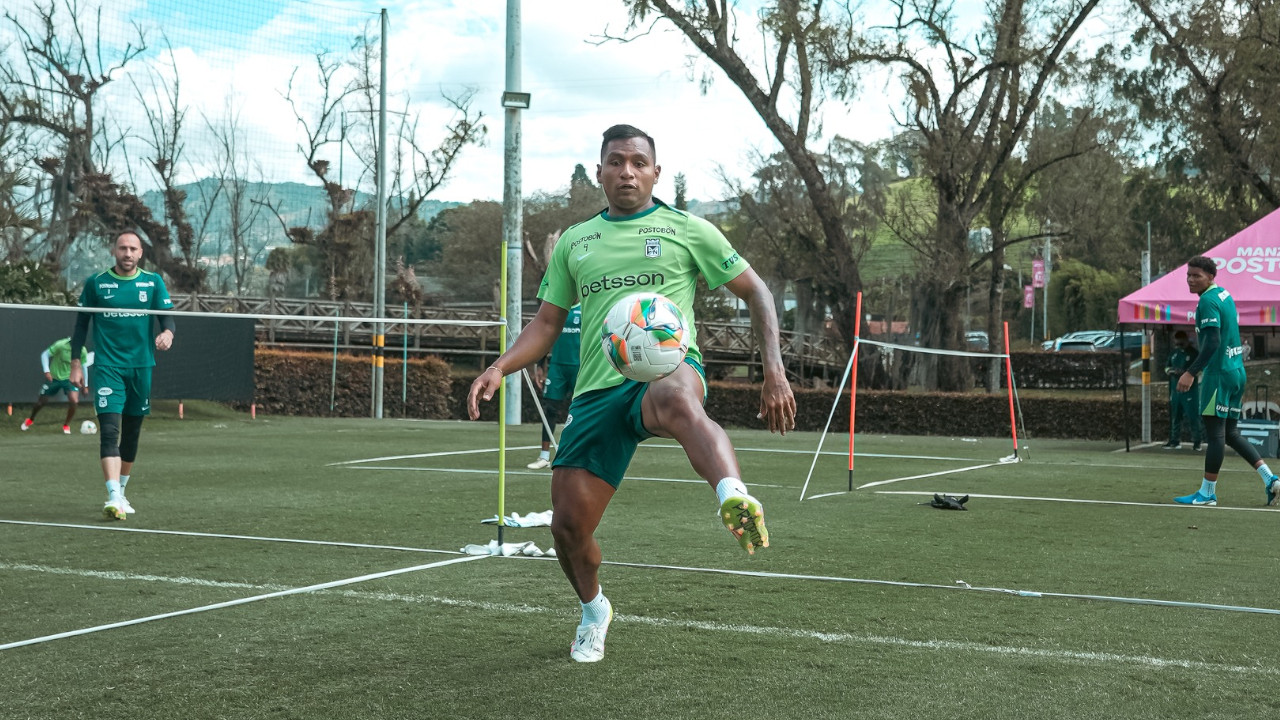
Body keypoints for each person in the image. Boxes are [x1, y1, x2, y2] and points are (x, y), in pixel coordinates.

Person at [468, 124, 795, 663]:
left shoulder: (688, 230)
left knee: (677, 400)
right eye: (616, 162)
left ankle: (733, 494)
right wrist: (500, 367)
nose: (627, 171)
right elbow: (548, 322)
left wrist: (774, 370)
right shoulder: (576, 241)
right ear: (599, 173)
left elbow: (756, 290)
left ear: (655, 172)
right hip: (598, 392)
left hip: (668, 370)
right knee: (568, 528)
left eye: (639, 162)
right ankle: (595, 608)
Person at [69, 230, 176, 521]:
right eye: (122, 248)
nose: (127, 253)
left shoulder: (153, 282)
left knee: (131, 434)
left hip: (141, 368)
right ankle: (113, 494)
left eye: (133, 249)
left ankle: (123, 491)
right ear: (114, 251)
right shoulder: (97, 283)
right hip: (107, 368)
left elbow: (167, 318)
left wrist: (167, 333)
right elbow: (80, 326)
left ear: (141, 253)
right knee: (110, 431)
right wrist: (76, 364)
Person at [1173, 256, 1278, 506]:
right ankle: (1271, 479)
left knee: (1216, 434)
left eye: (1196, 275)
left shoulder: (1208, 301)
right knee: (1230, 433)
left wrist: (1190, 371)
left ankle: (1207, 493)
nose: (1190, 279)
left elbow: (1212, 342)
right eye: (1188, 275)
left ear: (1210, 277)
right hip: (1236, 372)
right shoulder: (1223, 294)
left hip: (1219, 375)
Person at [527, 303, 582, 470]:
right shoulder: (558, 308)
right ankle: (544, 456)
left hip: (580, 366)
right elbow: (546, 335)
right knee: (550, 409)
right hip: (557, 367)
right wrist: (540, 366)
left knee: (581, 410)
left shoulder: (586, 307)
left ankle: (580, 455)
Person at [20, 338, 93, 435]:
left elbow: (84, 367)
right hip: (54, 377)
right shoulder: (61, 345)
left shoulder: (82, 350)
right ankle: (30, 419)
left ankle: (66, 425)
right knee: (41, 402)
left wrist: (86, 386)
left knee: (74, 401)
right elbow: (45, 355)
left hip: (69, 379)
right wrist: (46, 371)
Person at [1161, 330, 1202, 451]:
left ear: (1186, 341)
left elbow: (1199, 369)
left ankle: (1197, 442)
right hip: (1175, 390)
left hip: (1190, 391)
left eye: (1181, 344)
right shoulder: (1174, 353)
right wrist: (1170, 371)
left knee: (1192, 416)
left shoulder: (1194, 353)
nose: (1179, 346)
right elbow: (1167, 367)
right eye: (1177, 344)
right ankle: (1174, 441)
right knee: (1175, 416)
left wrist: (1186, 373)